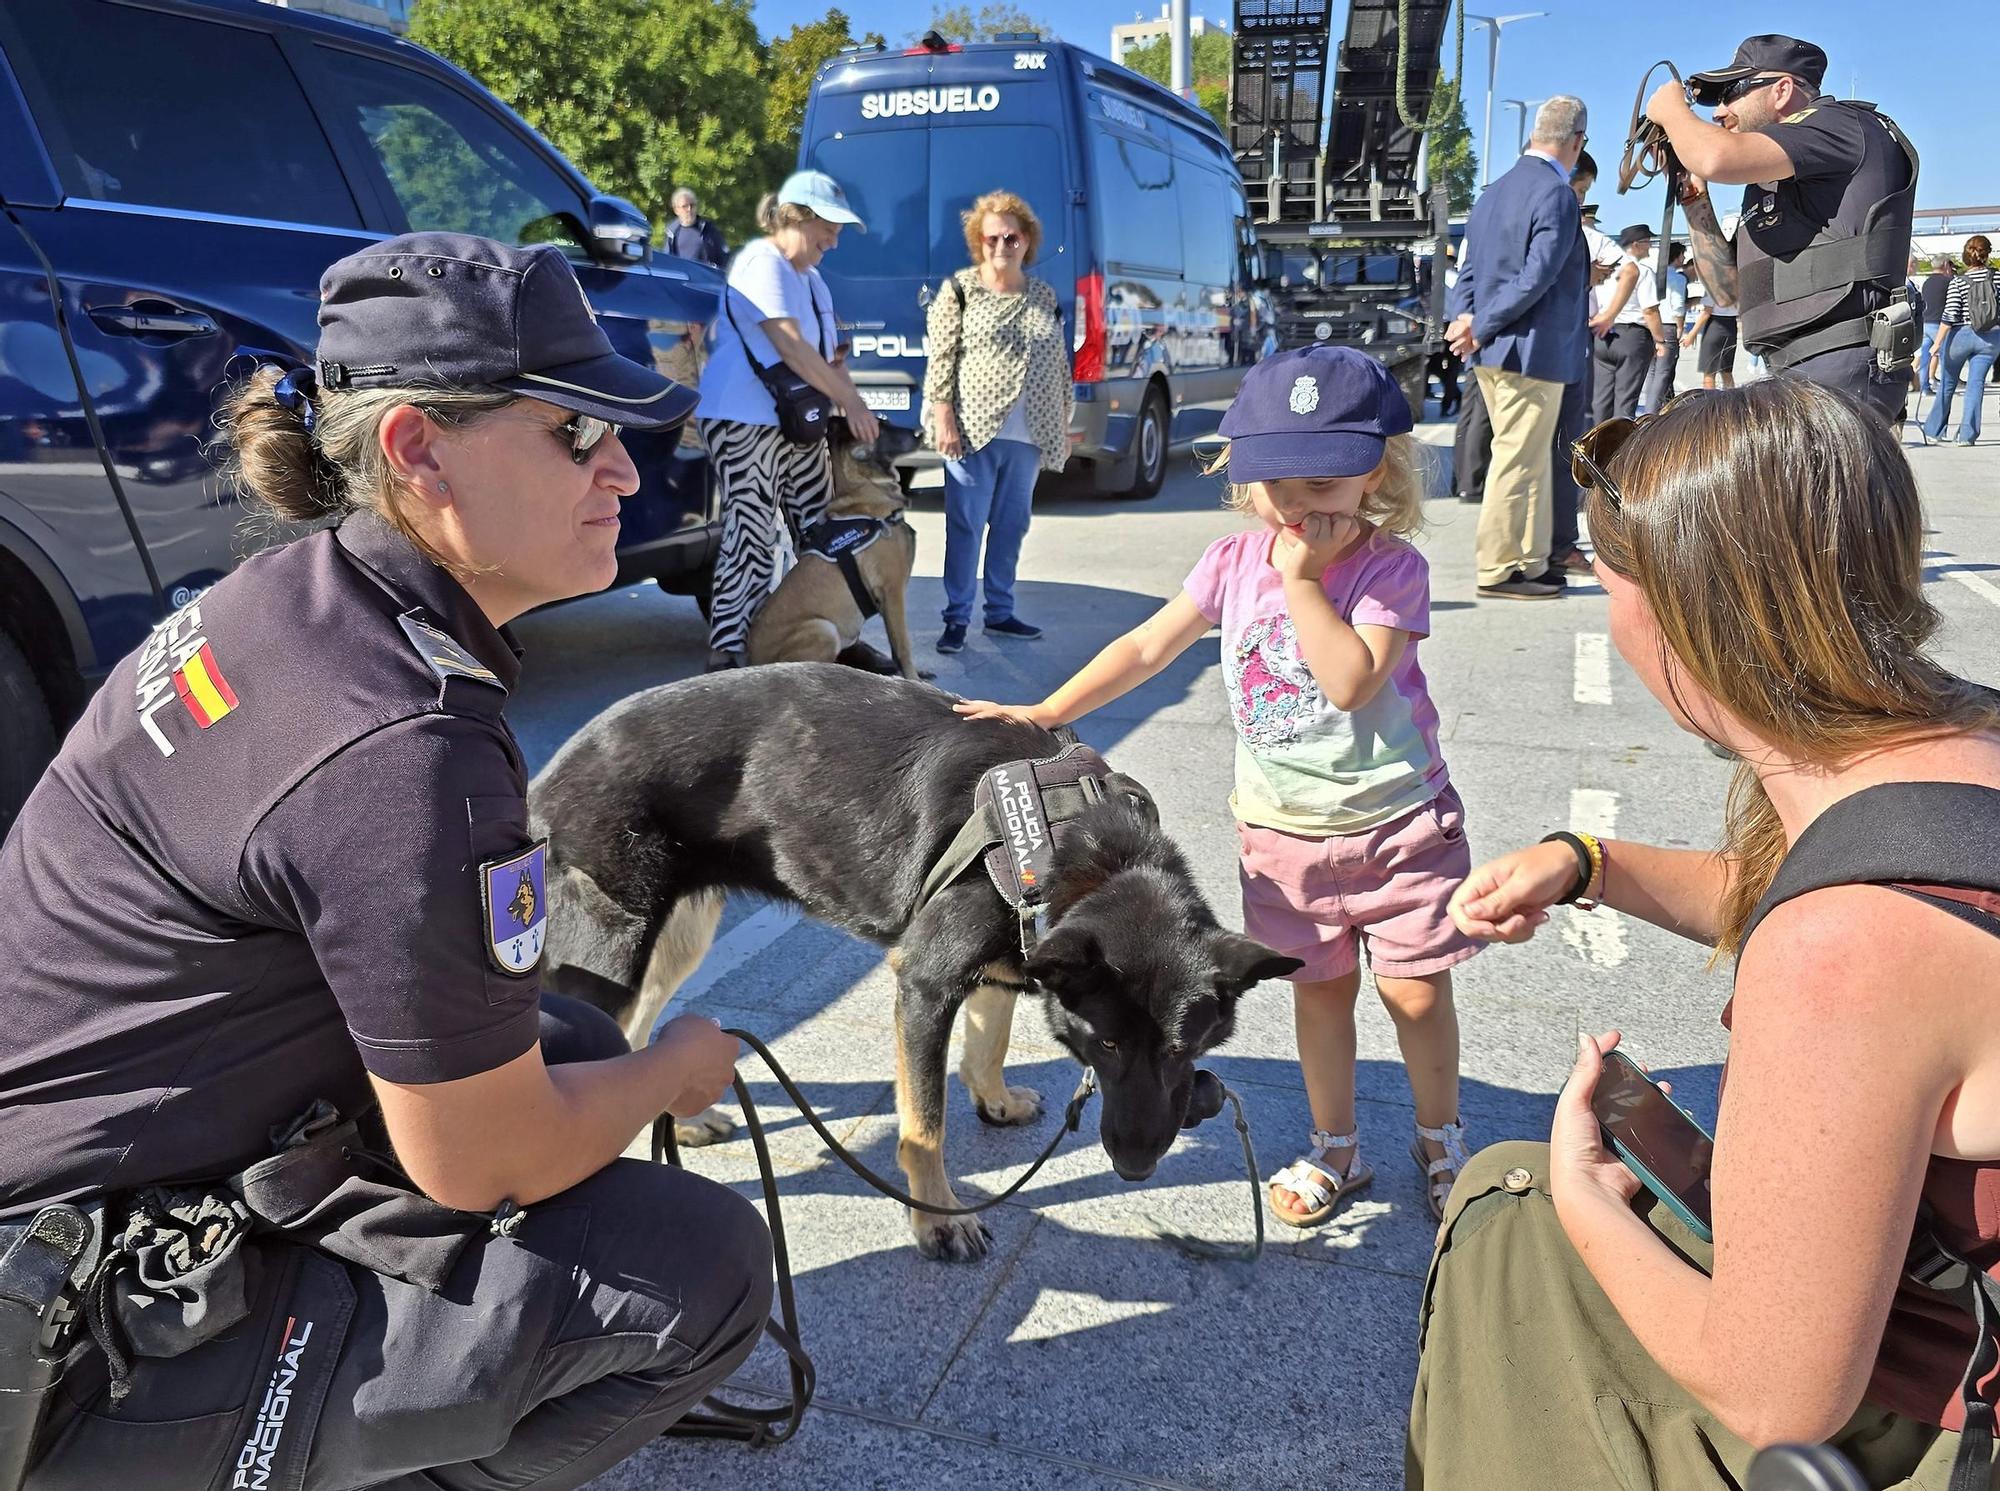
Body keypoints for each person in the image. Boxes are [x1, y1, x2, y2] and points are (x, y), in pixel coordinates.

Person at [0, 233, 773, 1488]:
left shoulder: (303, 596)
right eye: (574, 433)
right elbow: (483, 1161)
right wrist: (676, 1071)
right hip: (63, 1318)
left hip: (81, 1157)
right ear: (416, 451)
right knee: (703, 1266)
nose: (626, 470)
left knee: (566, 1044)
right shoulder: (398, 742)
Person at [1407, 379, 2000, 1489]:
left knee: (1507, 1216)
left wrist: (1588, 1207)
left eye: (1608, 577)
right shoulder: (1961, 733)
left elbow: (1779, 1393)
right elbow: (1870, 890)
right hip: (1943, 1310)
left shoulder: (1841, 953)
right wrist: (1592, 864)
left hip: (1944, 1417)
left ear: (1679, 613)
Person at [955, 347, 1481, 1225]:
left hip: (1397, 826)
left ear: (1379, 468)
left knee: (1416, 992)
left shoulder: (1392, 571)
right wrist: (1047, 708)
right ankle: (1336, 1149)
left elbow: (1352, 681)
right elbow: (1147, 647)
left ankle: (1440, 1137)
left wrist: (1304, 581)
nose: (1300, 497)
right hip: (1281, 839)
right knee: (1319, 994)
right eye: (1275, 474)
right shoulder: (1233, 561)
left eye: (1325, 475)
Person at [1646, 34, 1919, 422]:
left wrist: (1672, 111)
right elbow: (1728, 291)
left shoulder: (1841, 124)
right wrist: (1692, 196)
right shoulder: (1771, 177)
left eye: (1731, 93)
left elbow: (1714, 156)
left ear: (1782, 89)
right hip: (1793, 370)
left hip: (1842, 364)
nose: (1719, 112)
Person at [695, 170, 879, 671]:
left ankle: (836, 635)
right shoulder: (763, 263)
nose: (835, 240)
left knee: (823, 530)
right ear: (797, 216)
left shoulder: (812, 280)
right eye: (830, 227)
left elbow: (829, 355)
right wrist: (853, 405)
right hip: (742, 419)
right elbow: (791, 347)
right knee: (752, 531)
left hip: (796, 421)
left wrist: (853, 400)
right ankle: (731, 652)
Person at [1445, 96, 1591, 602]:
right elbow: (1538, 277)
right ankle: (1500, 567)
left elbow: (1467, 272)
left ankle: (1528, 560)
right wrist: (1479, 324)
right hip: (1531, 349)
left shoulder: (1491, 193)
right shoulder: (1556, 194)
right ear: (1577, 142)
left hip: (1495, 350)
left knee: (1526, 457)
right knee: (1519, 458)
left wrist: (1465, 321)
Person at [922, 190, 1074, 655]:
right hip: (972, 429)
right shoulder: (961, 291)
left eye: (1011, 237)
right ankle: (956, 619)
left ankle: (1001, 612)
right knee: (966, 524)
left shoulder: (1044, 295)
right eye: (992, 239)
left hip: (1028, 432)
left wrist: (1063, 418)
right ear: (978, 242)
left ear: (1026, 241)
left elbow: (1059, 362)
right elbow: (941, 359)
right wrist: (944, 417)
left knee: (1012, 524)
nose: (1001, 246)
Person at [1548, 151, 1615, 577]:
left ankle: (1552, 543)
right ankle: (1560, 544)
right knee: (1562, 451)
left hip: (1552, 349)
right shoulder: (1560, 215)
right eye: (1582, 188)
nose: (1580, 198)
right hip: (1562, 351)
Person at [1922, 235, 1999, 447]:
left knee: (1947, 384)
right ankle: (1967, 435)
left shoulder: (1958, 281)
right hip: (1991, 338)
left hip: (1960, 336)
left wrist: (1937, 344)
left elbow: (1949, 315)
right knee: (1976, 385)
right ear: (1987, 254)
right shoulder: (1997, 278)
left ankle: (1934, 430)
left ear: (1966, 256)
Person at [1591, 225, 1665, 424]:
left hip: (1603, 334)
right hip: (1632, 336)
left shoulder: (1603, 270)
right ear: (1636, 245)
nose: (1649, 247)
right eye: (1647, 242)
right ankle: (1619, 448)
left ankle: (1595, 447)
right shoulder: (1641, 271)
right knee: (1625, 400)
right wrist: (1660, 340)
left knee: (1601, 399)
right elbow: (1649, 310)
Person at [1640, 242, 1690, 412]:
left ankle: (1656, 409)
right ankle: (1651, 413)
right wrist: (1680, 328)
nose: (1684, 258)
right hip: (1669, 324)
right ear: (1676, 256)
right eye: (1682, 255)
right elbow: (1678, 306)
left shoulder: (1653, 276)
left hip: (1652, 324)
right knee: (1664, 372)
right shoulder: (1678, 278)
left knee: (1653, 371)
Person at [1684, 273, 1742, 389]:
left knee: (1709, 372)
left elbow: (1707, 311)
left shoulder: (1714, 286)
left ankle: (1710, 402)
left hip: (1715, 325)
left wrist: (1692, 333)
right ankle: (1731, 402)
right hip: (1731, 326)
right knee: (1726, 371)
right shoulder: (1737, 287)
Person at [1917, 253, 1954, 396]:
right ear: (1945, 265)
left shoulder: (1926, 282)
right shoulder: (1948, 282)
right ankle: (1946, 386)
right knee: (1946, 356)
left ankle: (1924, 387)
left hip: (1925, 322)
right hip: (1939, 324)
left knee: (1925, 356)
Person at [664, 187, 728, 269]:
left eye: (692, 205)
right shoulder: (672, 234)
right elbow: (668, 263)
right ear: (676, 209)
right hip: (685, 279)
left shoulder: (709, 229)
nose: (689, 209)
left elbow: (724, 259)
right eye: (685, 206)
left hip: (708, 279)